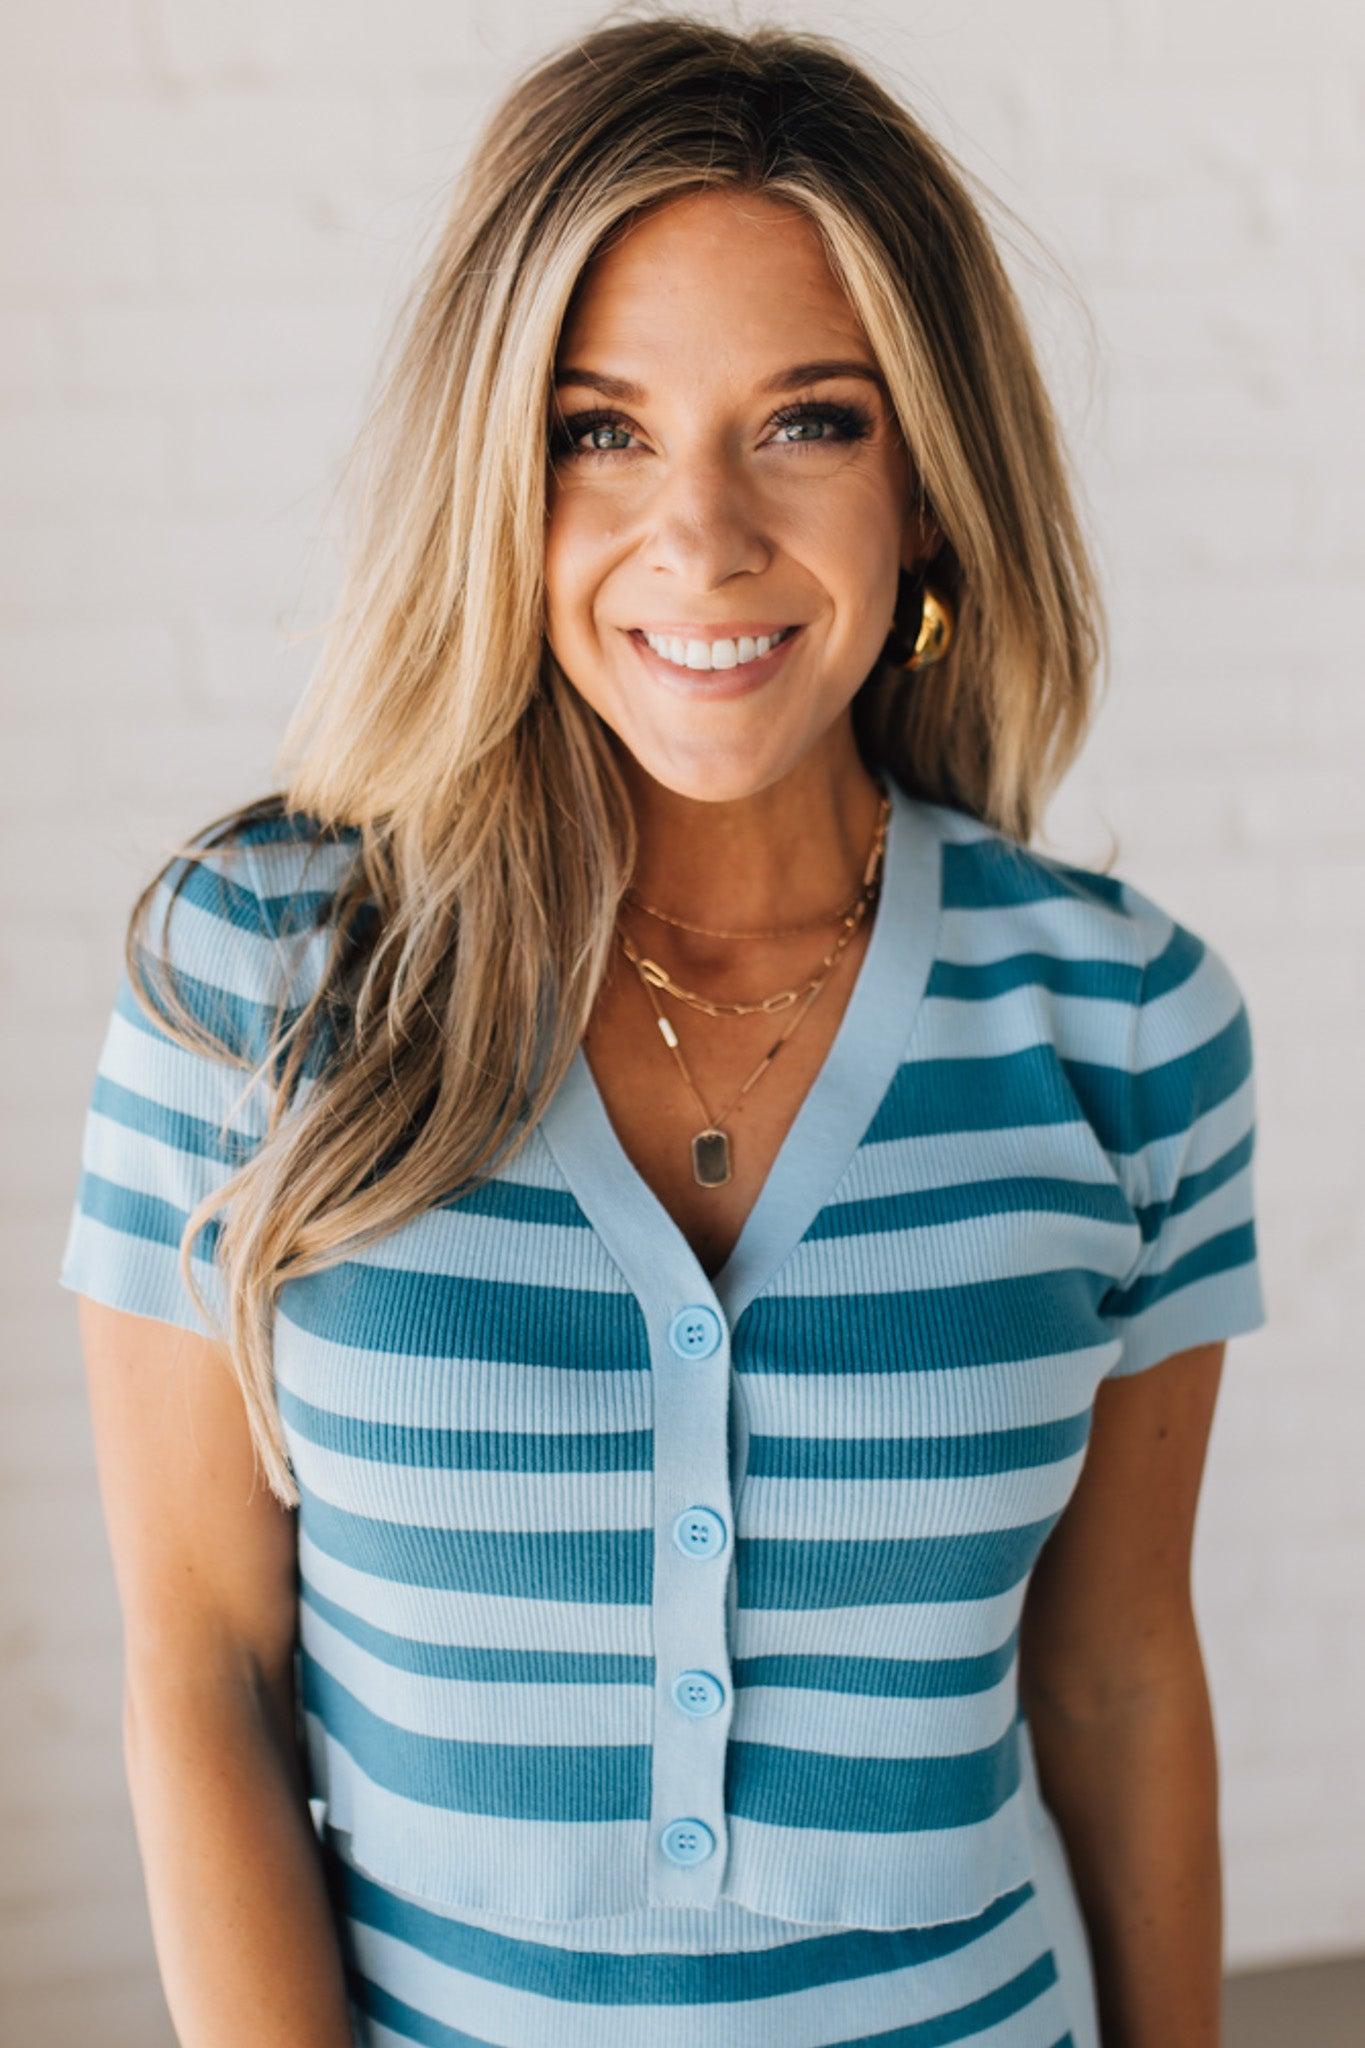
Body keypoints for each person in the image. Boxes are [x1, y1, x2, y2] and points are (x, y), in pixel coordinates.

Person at [58, 15, 1268, 2047]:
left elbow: (1120, 1673)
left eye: (807, 420)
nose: (697, 538)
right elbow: (203, 1672)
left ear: (930, 479)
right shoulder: (254, 975)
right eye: (598, 428)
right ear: (495, 469)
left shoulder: (1125, 1022)